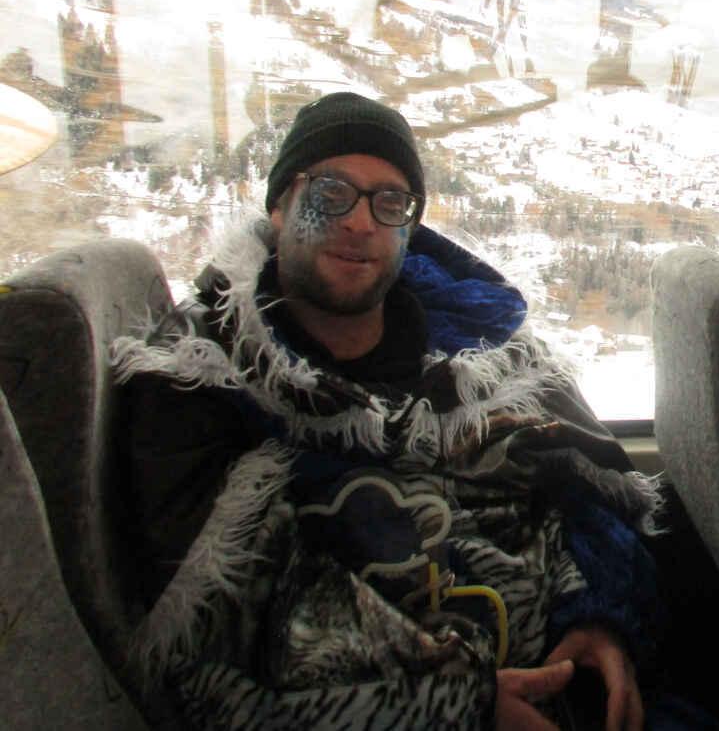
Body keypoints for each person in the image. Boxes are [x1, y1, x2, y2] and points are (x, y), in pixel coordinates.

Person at [113, 91, 665, 730]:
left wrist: (600, 619)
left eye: (390, 202)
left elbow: (590, 498)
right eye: (330, 193)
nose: (359, 222)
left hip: (567, 682)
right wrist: (465, 707)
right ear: (279, 204)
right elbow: (233, 627)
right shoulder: (201, 380)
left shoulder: (494, 356)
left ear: (410, 226)